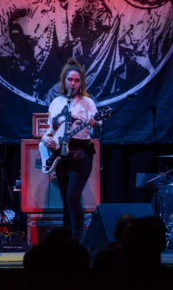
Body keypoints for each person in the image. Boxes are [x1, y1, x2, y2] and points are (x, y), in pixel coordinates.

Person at [41, 58, 98, 242]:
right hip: (61, 156)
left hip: (81, 154)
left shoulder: (87, 103)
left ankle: (77, 242)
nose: (73, 83)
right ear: (64, 81)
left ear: (81, 83)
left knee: (73, 198)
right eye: (70, 80)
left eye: (76, 80)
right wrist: (46, 139)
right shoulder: (56, 102)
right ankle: (66, 242)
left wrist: (94, 123)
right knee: (66, 201)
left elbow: (97, 125)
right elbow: (50, 131)